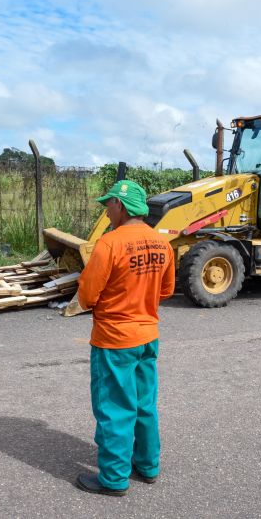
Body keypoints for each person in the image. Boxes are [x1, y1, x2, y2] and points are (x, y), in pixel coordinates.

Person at [75, 179, 176, 497]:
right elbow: (166, 290)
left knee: (115, 408)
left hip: (114, 339)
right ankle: (147, 466)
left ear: (120, 205)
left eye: (108, 205)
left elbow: (87, 296)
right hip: (147, 336)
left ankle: (114, 479)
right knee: (144, 403)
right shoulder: (162, 243)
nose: (106, 212)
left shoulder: (110, 243)